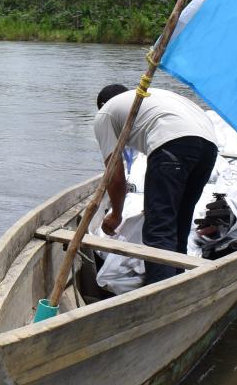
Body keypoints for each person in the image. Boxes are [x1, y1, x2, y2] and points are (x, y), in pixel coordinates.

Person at [94, 84, 219, 285]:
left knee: (158, 228)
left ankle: (161, 292)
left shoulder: (105, 113)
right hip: (209, 147)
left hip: (172, 143)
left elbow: (115, 177)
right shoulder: (153, 97)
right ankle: (178, 283)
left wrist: (116, 214)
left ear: (101, 105)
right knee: (179, 222)